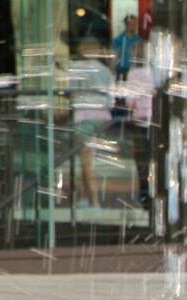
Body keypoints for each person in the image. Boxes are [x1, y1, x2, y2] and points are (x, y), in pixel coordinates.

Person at [69, 40, 113, 209]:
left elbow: (74, 96)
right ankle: (88, 198)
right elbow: (110, 99)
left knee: (86, 161)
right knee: (88, 161)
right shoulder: (105, 71)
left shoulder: (77, 69)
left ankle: (95, 202)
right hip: (102, 117)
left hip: (84, 116)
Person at [125, 42, 154, 210]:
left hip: (139, 119)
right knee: (151, 157)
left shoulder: (133, 73)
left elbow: (130, 100)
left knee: (141, 159)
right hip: (152, 119)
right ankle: (152, 192)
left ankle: (144, 194)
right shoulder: (153, 72)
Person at [112, 15, 141, 82]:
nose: (134, 26)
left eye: (135, 24)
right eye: (132, 24)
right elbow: (114, 56)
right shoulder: (119, 39)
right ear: (127, 25)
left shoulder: (138, 40)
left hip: (134, 71)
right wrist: (112, 72)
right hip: (121, 70)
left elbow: (140, 56)